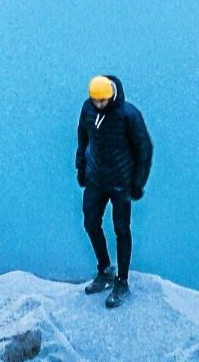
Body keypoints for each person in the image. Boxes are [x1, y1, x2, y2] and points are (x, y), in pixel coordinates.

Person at [75, 73, 152, 308]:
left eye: (102, 101)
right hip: (95, 180)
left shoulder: (129, 115)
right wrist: (81, 167)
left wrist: (137, 183)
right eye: (95, 101)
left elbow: (144, 148)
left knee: (121, 230)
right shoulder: (88, 110)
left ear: (111, 96)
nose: (98, 105)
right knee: (90, 223)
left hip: (121, 183)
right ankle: (105, 270)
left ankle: (122, 282)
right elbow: (83, 138)